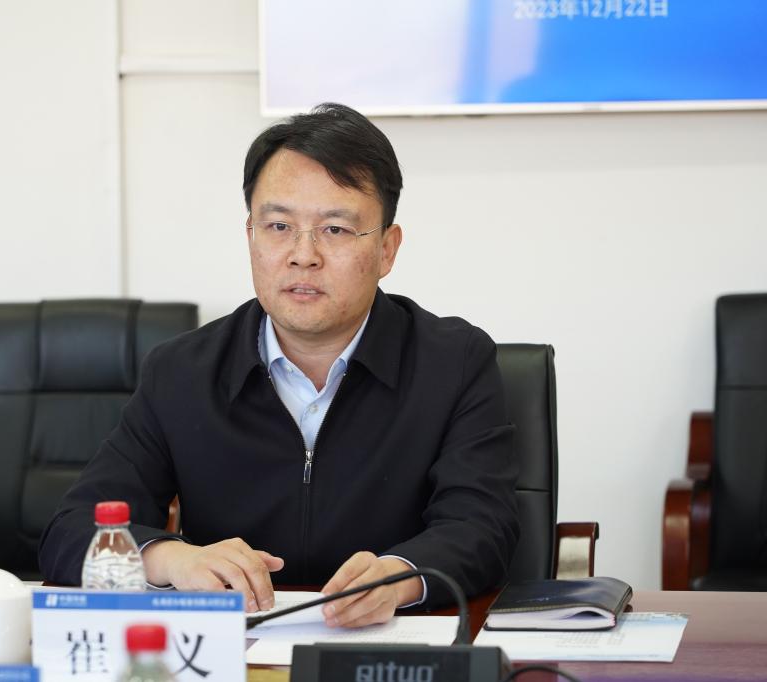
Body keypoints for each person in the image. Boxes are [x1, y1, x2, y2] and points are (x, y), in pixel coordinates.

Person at [39, 103, 519, 628]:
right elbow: (72, 530)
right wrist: (173, 560)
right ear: (250, 236)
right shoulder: (182, 372)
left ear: (387, 249)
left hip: (390, 644)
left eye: (335, 229)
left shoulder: (453, 362)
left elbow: (483, 526)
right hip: (235, 649)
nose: (302, 255)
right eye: (278, 226)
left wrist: (398, 577)